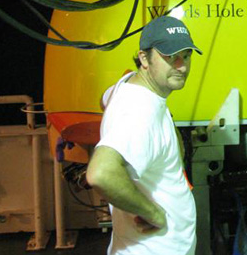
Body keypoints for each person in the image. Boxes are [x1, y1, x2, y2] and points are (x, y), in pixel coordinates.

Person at [86, 15, 202, 255]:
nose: (181, 65)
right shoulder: (140, 111)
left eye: (187, 55)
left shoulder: (129, 84)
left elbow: (104, 98)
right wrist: (152, 213)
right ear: (144, 58)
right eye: (170, 56)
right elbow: (101, 173)